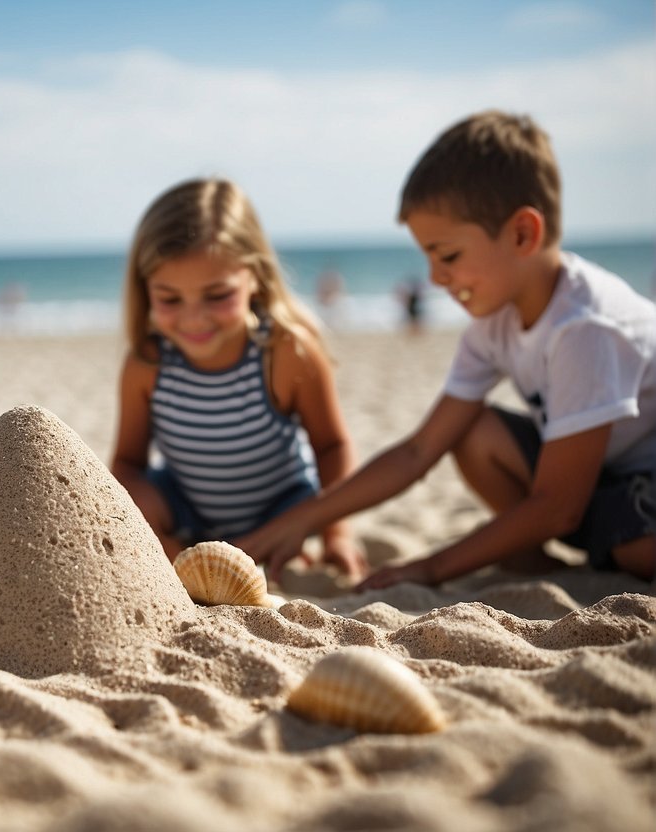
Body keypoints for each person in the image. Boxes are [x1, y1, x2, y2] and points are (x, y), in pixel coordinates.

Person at [247, 110, 656, 589]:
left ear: (523, 233)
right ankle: (533, 555)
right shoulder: (494, 321)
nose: (436, 278)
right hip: (598, 479)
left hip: (632, 479)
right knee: (472, 431)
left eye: (449, 257)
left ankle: (569, 544)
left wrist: (430, 568)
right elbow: (420, 450)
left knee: (636, 550)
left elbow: (559, 506)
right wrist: (305, 518)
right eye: (427, 258)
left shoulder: (584, 328)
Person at [110, 178, 366, 579]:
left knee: (306, 501)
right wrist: (161, 544)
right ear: (145, 291)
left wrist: (336, 534)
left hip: (279, 511)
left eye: (217, 295)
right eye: (170, 299)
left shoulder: (284, 352)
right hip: (187, 514)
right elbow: (127, 465)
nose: (194, 318)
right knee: (129, 491)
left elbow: (331, 446)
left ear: (255, 277)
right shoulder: (147, 363)